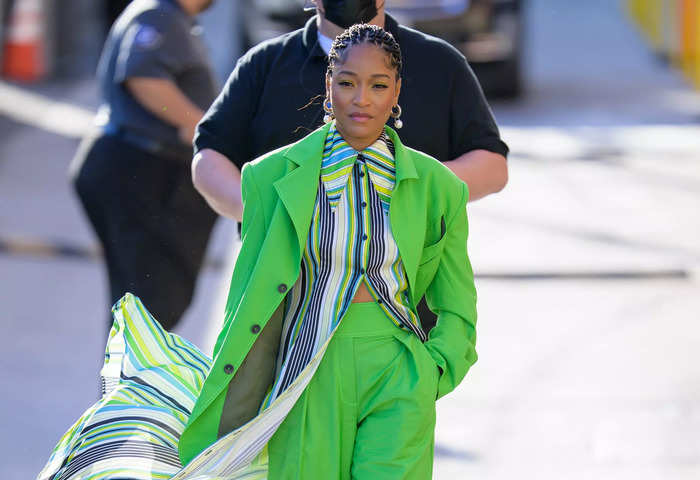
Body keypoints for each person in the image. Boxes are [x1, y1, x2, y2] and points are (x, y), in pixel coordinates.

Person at [15, 24, 477, 480]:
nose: (361, 98)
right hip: (308, 370)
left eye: (378, 84)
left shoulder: (438, 188)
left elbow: (456, 301)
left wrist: (431, 370)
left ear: (397, 93)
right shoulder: (269, 178)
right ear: (328, 86)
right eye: (347, 82)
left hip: (398, 369)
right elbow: (249, 297)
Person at [192, 0, 507, 329]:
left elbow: (492, 164)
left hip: (408, 320)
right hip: (284, 320)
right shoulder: (264, 65)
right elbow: (209, 158)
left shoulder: (439, 63)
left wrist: (412, 191)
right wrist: (268, 213)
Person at [70, 0, 218, 330]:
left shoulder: (171, 18)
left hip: (143, 168)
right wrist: (197, 125)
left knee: (147, 306)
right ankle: (131, 382)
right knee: (149, 308)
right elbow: (143, 79)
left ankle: (130, 380)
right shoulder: (159, 15)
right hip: (140, 167)